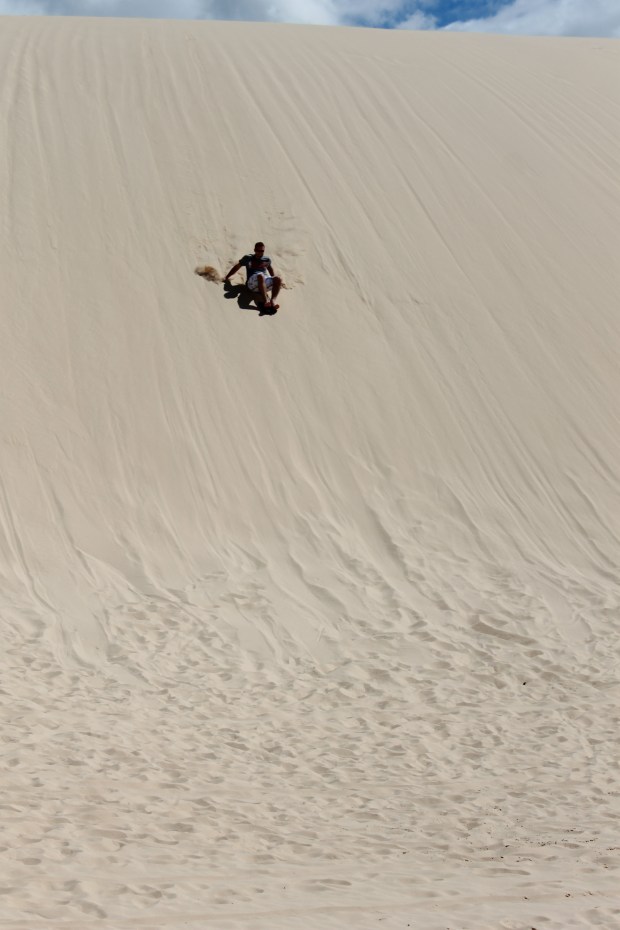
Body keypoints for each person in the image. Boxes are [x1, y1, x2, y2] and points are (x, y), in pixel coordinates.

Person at [224, 242, 281, 310]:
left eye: (262, 251)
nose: (260, 253)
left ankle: (273, 301)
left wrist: (275, 280)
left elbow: (270, 268)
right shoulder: (248, 258)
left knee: (278, 279)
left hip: (263, 285)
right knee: (260, 276)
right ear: (254, 250)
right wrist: (227, 277)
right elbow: (237, 267)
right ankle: (266, 301)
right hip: (251, 285)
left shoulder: (266, 259)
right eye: (258, 251)